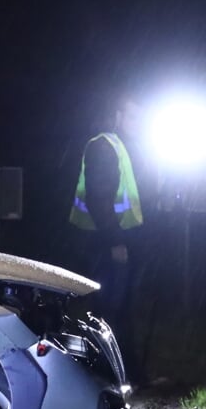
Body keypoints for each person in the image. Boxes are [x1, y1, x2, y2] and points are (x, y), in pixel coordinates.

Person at [65, 99, 149, 382]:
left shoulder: (122, 147)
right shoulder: (104, 146)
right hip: (103, 246)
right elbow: (98, 198)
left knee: (119, 309)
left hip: (113, 242)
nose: (140, 123)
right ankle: (113, 376)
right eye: (134, 117)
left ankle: (125, 375)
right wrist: (116, 242)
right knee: (111, 311)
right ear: (116, 115)